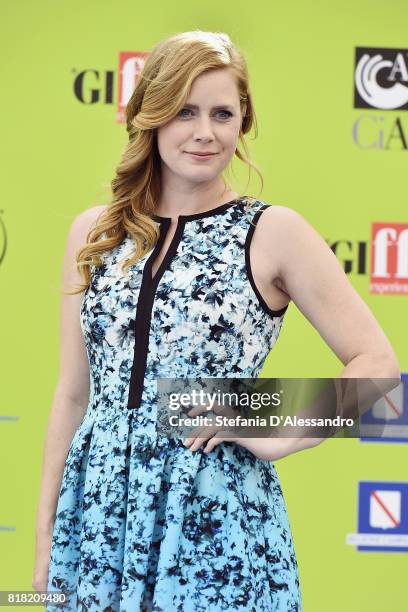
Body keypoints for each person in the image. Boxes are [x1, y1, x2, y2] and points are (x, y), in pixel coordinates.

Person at [33, 30, 400, 611]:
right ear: (150, 115)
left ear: (242, 124)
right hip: (98, 518)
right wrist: (47, 544)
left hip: (212, 518)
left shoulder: (274, 232)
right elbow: (73, 398)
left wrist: (275, 426)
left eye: (223, 113)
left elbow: (379, 366)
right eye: (184, 111)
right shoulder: (94, 233)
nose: (205, 132)